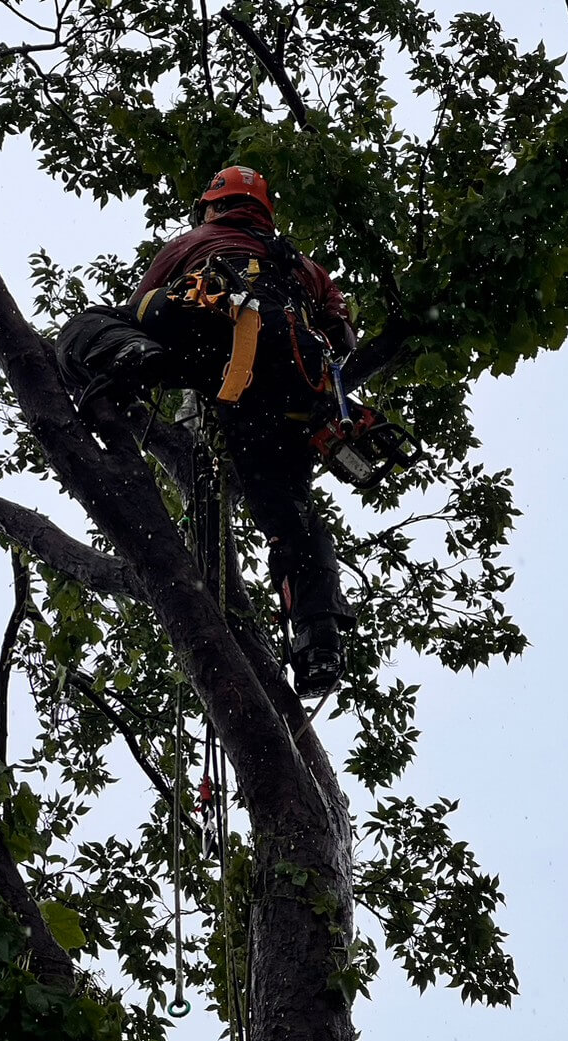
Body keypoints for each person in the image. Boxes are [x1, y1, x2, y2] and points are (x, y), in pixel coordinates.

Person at [56, 166, 356, 698]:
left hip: (213, 348)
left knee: (86, 325)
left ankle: (133, 358)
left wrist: (145, 351)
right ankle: (318, 637)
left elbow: (144, 300)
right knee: (290, 517)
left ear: (214, 207)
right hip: (289, 395)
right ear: (262, 210)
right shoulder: (303, 267)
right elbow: (342, 334)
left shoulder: (196, 241)